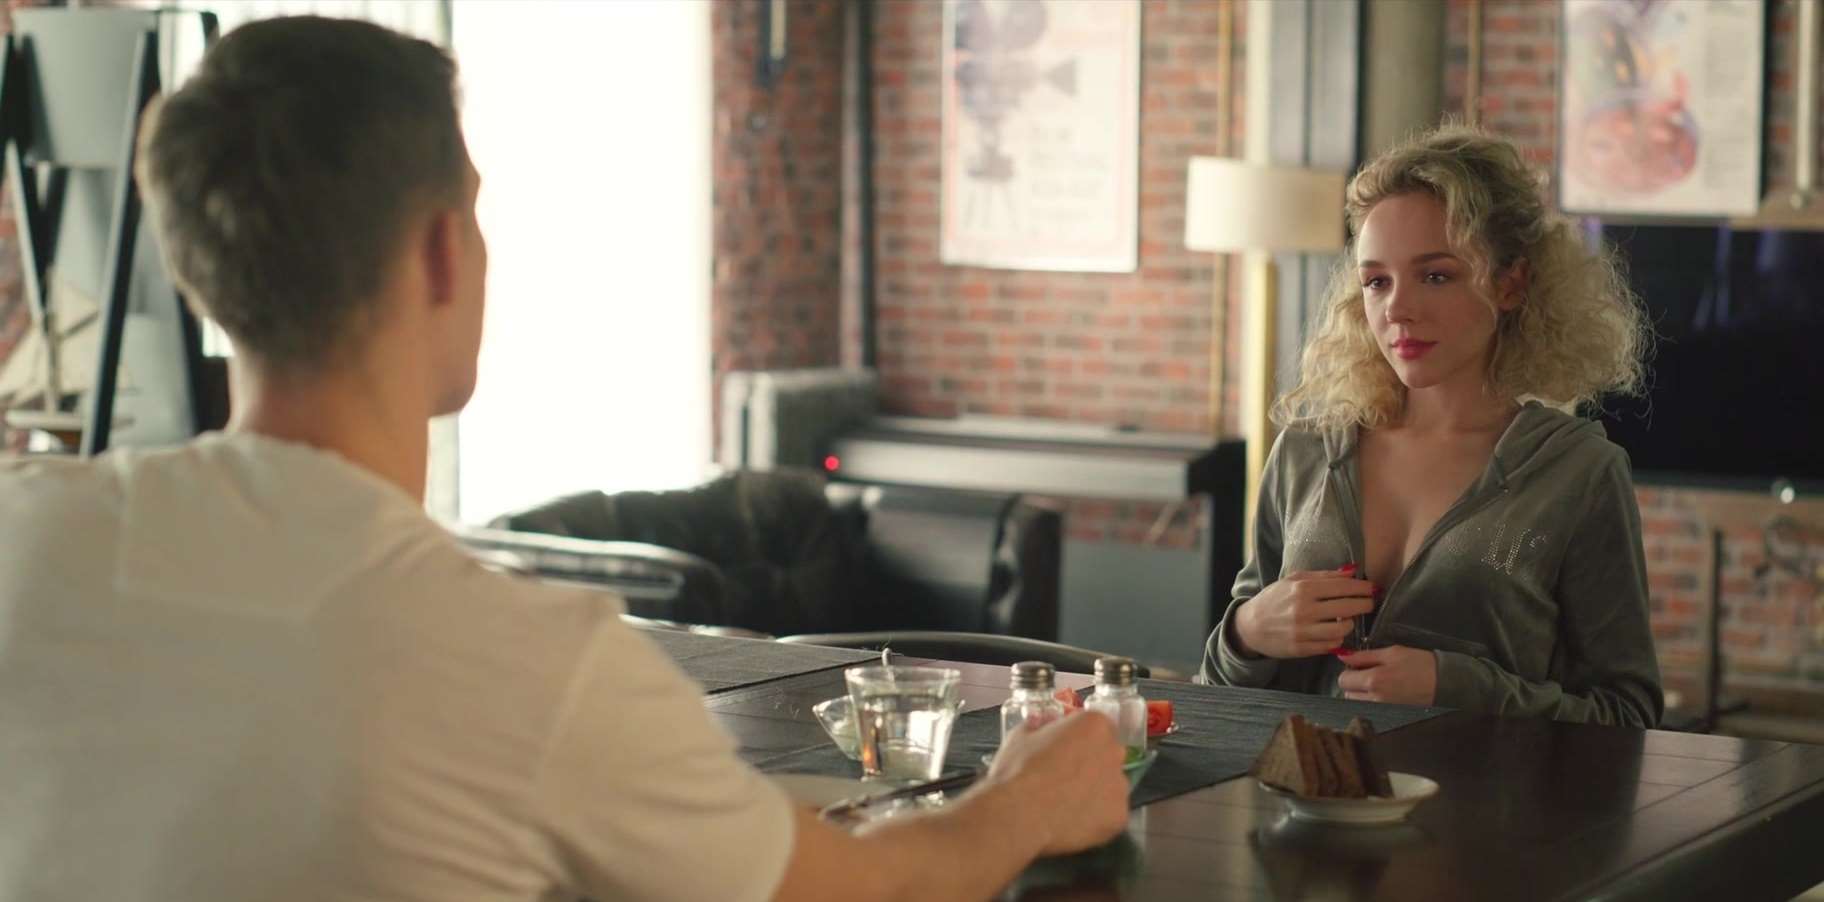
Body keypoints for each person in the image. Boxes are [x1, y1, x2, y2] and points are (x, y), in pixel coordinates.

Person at [0, 17, 1129, 901]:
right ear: (443, 252)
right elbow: (870, 890)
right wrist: (1027, 797)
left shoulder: (25, 534)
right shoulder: (531, 667)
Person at [1199, 125, 1663, 728]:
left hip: (1479, 792)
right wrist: (1246, 631)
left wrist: (1459, 687)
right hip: (1297, 783)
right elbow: (1215, 693)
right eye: (1376, 281)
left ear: (1511, 283)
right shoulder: (1305, 451)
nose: (1397, 308)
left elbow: (1629, 717)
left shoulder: (1577, 472)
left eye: (1436, 275)